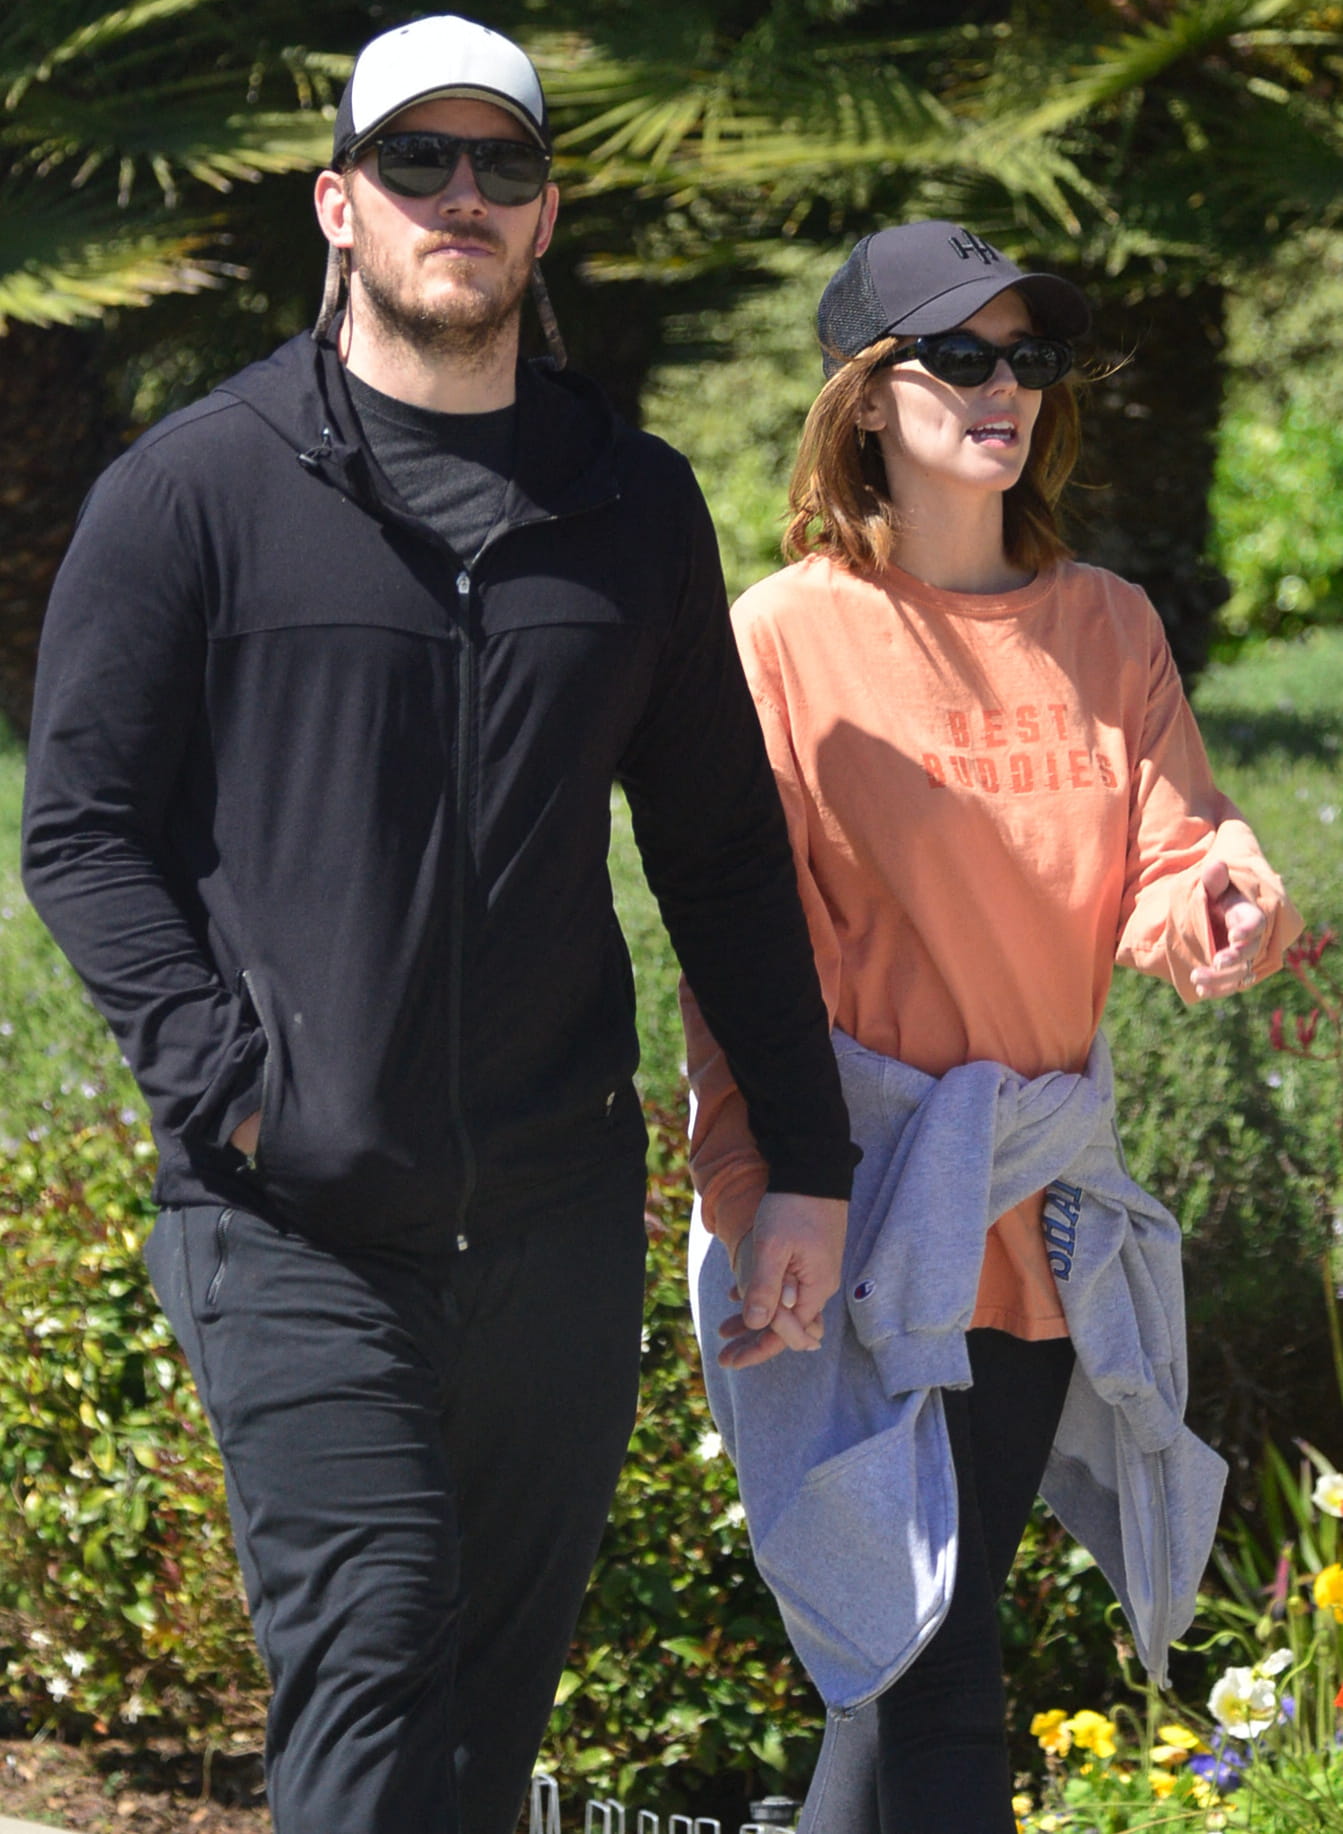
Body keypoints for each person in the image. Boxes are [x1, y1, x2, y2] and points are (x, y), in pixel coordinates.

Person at [20, 17, 856, 1833]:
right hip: (294, 1217)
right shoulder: (197, 490)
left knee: (486, 1723)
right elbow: (80, 834)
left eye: (502, 165)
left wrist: (806, 1159)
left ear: (547, 216)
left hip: (557, 1215)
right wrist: (237, 1089)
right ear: (341, 203)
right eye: (416, 160)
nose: (459, 197)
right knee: (377, 1651)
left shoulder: (629, 503)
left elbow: (720, 853)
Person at [680, 220, 1302, 1834]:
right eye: (959, 354)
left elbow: (1177, 852)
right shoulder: (784, 637)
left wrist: (1229, 901)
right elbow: (735, 952)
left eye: (1028, 356)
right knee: (924, 1668)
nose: (1003, 385)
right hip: (854, 1204)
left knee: (918, 1657)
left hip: (1030, 1207)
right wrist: (753, 1189)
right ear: (866, 396)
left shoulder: (1109, 625)